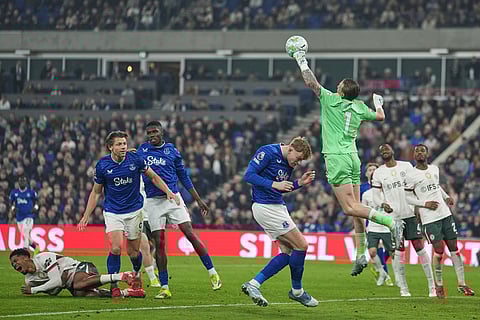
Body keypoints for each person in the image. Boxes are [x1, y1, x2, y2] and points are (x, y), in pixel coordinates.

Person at [291, 46, 404, 276]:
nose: (336, 86)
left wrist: (301, 60)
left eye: (339, 85)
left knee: (350, 207)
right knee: (356, 211)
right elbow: (380, 116)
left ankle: (391, 223)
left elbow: (311, 83)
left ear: (342, 91)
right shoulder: (360, 107)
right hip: (353, 158)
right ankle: (361, 254)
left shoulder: (331, 100)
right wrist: (379, 102)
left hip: (337, 158)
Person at [78, 130, 179, 298]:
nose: (123, 147)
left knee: (133, 252)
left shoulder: (136, 160)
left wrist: (168, 191)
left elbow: (153, 177)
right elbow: (96, 193)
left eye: (124, 143)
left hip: (135, 211)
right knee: (116, 247)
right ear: (110, 147)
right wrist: (86, 215)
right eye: (119, 144)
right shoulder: (102, 165)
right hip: (113, 212)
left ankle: (135, 273)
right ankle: (114, 284)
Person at [137, 121, 221, 299]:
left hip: (173, 198)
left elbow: (183, 176)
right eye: (149, 132)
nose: (152, 135)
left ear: (162, 132)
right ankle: (165, 287)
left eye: (155, 131)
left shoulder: (172, 151)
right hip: (153, 202)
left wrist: (198, 199)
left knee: (190, 234)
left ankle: (212, 272)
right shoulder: (141, 151)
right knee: (159, 244)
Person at [241, 137, 318, 307]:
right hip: (266, 207)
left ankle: (253, 284)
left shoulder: (288, 163)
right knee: (302, 245)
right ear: (290, 148)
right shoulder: (268, 152)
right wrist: (274, 184)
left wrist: (299, 183)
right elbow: (249, 175)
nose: (297, 163)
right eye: (297, 158)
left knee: (288, 252)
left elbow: (281, 187)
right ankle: (297, 291)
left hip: (276, 206)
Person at [404, 144, 475, 298]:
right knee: (439, 251)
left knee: (454, 249)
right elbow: (406, 196)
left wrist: (446, 196)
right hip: (429, 218)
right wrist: (424, 204)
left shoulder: (434, 169)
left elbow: (436, 187)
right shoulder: (411, 175)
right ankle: (439, 284)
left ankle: (462, 284)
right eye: (417, 151)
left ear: (427, 154)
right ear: (414, 155)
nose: (420, 153)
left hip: (445, 214)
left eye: (422, 150)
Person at [372, 144, 435, 297]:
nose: (385, 151)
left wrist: (420, 207)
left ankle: (432, 286)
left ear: (393, 151)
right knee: (399, 251)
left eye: (387, 148)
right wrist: (382, 204)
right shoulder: (379, 173)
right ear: (381, 155)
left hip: (411, 214)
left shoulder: (406, 166)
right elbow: (376, 196)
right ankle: (403, 288)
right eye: (382, 150)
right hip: (395, 218)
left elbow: (416, 186)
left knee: (419, 246)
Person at [9, 248, 144, 297]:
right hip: (70, 284)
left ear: (26, 257)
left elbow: (56, 282)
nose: (15, 265)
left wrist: (34, 291)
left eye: (16, 261)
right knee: (84, 294)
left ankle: (122, 276)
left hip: (81, 267)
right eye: (12, 264)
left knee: (78, 285)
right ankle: (127, 293)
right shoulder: (29, 281)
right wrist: (59, 283)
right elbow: (54, 291)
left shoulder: (43, 258)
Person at [360, 163, 394, 287]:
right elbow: (361, 207)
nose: (373, 171)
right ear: (366, 173)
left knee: (389, 250)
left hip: (387, 222)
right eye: (370, 170)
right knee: (375, 249)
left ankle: (381, 270)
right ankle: (385, 274)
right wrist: (362, 225)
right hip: (372, 224)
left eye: (375, 169)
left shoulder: (385, 186)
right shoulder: (363, 189)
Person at [9, 176, 40, 255]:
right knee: (26, 237)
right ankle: (36, 248)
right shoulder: (14, 193)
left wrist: (35, 208)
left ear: (26, 183)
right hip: (19, 217)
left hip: (29, 215)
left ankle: (24, 252)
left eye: (24, 181)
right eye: (21, 181)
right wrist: (13, 208)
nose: (22, 183)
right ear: (18, 183)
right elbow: (11, 202)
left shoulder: (31, 192)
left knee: (26, 231)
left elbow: (37, 201)